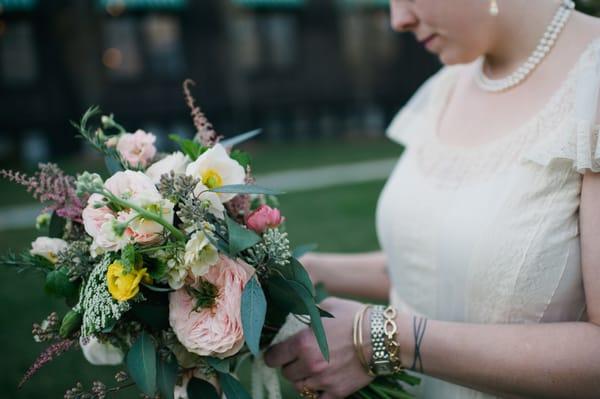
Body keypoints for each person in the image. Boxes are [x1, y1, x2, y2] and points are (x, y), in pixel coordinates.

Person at [264, 0, 600, 398]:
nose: (398, 19)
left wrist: (386, 338)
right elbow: (448, 267)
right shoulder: (451, 81)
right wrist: (306, 272)